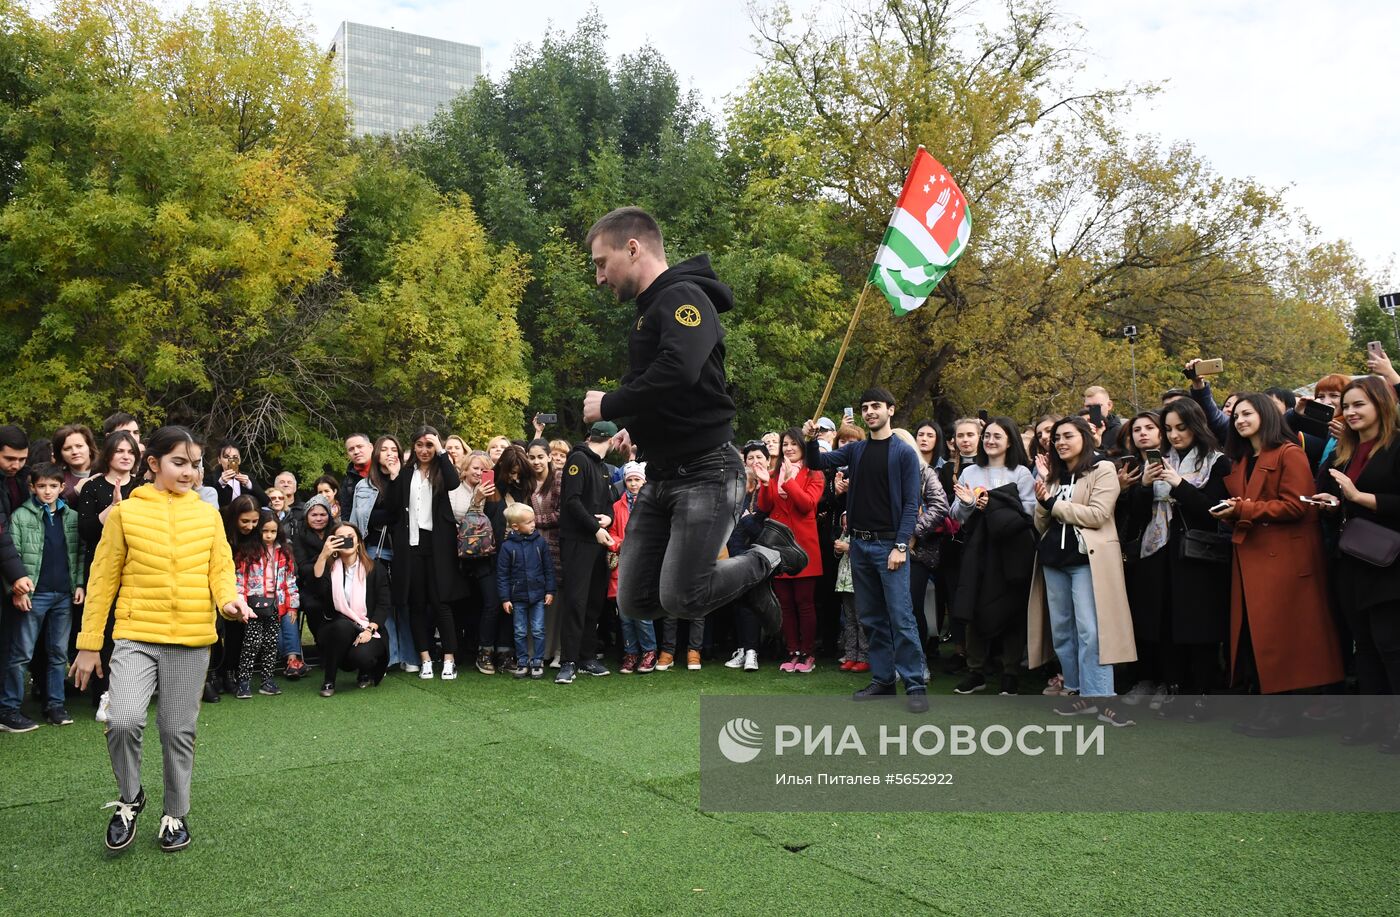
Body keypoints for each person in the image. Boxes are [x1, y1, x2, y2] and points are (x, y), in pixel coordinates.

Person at [581, 207, 803, 642]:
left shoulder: (683, 296)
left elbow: (680, 368)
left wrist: (612, 404)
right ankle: (751, 580)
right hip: (662, 475)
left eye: (601, 263)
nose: (599, 277)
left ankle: (767, 557)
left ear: (632, 248)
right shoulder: (649, 311)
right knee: (635, 600)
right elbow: (677, 388)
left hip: (707, 472)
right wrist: (639, 429)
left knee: (684, 596)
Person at [69, 425, 254, 853]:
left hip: (191, 639)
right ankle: (131, 798)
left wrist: (228, 601)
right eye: (179, 462)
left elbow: (220, 569)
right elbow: (101, 580)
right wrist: (89, 642)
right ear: (152, 464)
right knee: (123, 719)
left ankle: (175, 814)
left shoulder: (208, 514)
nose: (189, 472)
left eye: (194, 464)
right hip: (135, 636)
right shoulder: (125, 514)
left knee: (177, 730)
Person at [1213, 394, 1343, 737]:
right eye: (1236, 415)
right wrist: (1232, 513)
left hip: (1285, 560)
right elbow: (1248, 506)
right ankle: (1268, 708)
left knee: (1284, 637)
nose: (1239, 420)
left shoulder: (1289, 453)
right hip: (1253, 555)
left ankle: (1283, 713)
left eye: (1247, 413)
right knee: (1260, 636)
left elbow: (1299, 506)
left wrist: (1242, 510)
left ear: (1266, 415)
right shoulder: (1240, 459)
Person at [805, 388, 927, 712]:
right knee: (871, 618)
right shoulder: (856, 450)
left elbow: (912, 504)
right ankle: (884, 681)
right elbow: (817, 461)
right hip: (859, 545)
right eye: (865, 407)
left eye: (876, 406)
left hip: (890, 546)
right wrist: (809, 439)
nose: (870, 411)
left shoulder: (903, 453)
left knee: (901, 618)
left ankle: (915, 685)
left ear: (891, 409)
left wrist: (901, 545)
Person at [1119, 399, 1232, 722]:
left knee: (1199, 626)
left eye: (1181, 428)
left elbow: (1213, 512)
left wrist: (1178, 484)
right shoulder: (1158, 461)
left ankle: (1203, 694)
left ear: (1196, 426)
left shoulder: (1217, 462)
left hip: (1199, 555)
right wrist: (1141, 487)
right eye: (1168, 429)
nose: (1175, 434)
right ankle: (1174, 687)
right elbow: (1139, 516)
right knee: (1166, 623)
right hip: (1158, 553)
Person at [1028, 416, 1137, 727]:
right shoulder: (1054, 475)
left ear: (1085, 438)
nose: (1060, 442)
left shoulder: (1103, 469)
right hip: (1053, 560)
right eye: (1056, 438)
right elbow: (1042, 523)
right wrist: (1042, 503)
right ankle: (1078, 691)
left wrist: (1052, 504)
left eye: (1067, 436)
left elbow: (1099, 514)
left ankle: (1101, 695)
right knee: (1063, 629)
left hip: (1087, 559)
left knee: (1090, 629)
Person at [1316, 376, 1400, 752]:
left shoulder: (1397, 445)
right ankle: (1375, 723)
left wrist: (1360, 497)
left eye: (1358, 404)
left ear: (1380, 404)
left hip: (1390, 562)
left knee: (1390, 644)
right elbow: (1345, 505)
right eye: (1346, 406)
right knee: (1363, 646)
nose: (1349, 412)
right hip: (1351, 560)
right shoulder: (1346, 452)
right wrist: (1334, 504)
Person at [949, 418, 1036, 696]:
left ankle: (1010, 672)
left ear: (1010, 440)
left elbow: (1030, 511)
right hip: (977, 548)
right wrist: (969, 504)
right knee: (974, 605)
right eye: (987, 436)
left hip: (1011, 550)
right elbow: (955, 515)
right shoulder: (969, 472)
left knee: (1011, 608)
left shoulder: (1022, 473)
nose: (990, 441)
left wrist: (994, 504)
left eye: (997, 436)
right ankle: (975, 671)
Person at [0, 464, 86, 732]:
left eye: (53, 486)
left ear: (62, 488)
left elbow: (79, 552)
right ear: (32, 488)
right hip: (34, 594)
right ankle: (9, 709)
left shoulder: (71, 517)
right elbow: (9, 556)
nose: (47, 491)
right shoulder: (20, 517)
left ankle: (55, 706)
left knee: (58, 653)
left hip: (63, 594)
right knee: (21, 654)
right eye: (41, 486)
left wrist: (80, 584)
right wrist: (17, 590)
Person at [385, 427, 464, 680]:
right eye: (419, 445)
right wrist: (396, 477)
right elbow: (392, 507)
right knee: (417, 603)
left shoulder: (442, 470)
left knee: (441, 602)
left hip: (438, 544)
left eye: (429, 445)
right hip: (411, 545)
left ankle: (449, 658)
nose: (424, 450)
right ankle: (425, 658)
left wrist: (441, 450)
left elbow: (453, 483)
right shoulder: (406, 473)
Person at [71, 430, 139, 714]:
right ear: (109, 454)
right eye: (120, 451)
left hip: (135, 567)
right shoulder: (92, 486)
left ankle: (131, 691)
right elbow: (86, 531)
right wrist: (113, 507)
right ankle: (104, 694)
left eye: (130, 452)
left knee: (129, 629)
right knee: (104, 629)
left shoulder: (142, 487)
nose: (125, 456)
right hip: (101, 565)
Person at [555, 423, 620, 684]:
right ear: (612, 440)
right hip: (578, 542)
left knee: (594, 602)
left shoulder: (603, 468)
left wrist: (609, 517)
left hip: (597, 542)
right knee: (575, 602)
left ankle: (586, 657)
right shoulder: (578, 460)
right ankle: (568, 661)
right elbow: (571, 501)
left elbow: (608, 504)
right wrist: (595, 528)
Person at [757, 428, 825, 674]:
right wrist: (766, 483)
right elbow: (764, 506)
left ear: (803, 447)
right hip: (778, 547)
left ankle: (808, 652)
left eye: (793, 444)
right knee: (784, 603)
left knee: (804, 603)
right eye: (785, 444)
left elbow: (807, 504)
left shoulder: (814, 474)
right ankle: (792, 651)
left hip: (803, 547)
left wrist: (789, 480)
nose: (788, 448)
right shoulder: (776, 474)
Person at [313, 522, 392, 696]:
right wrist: (323, 556)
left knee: (362, 656)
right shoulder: (330, 567)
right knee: (342, 625)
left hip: (368, 628)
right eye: (340, 538)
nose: (346, 541)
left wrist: (370, 630)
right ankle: (329, 680)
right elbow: (318, 591)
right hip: (337, 628)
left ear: (358, 542)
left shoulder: (375, 569)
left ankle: (365, 670)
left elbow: (383, 605)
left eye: (350, 537)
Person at [232, 511, 300, 696]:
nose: (269, 536)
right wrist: (241, 604)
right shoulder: (247, 552)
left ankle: (267, 680)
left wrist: (292, 605)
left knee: (271, 643)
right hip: (252, 606)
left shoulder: (284, 551)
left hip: (275, 605)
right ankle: (243, 681)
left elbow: (290, 580)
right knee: (251, 643)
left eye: (273, 531)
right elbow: (240, 580)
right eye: (265, 531)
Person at [723, 443, 772, 673]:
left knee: (753, 601)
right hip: (733, 553)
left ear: (768, 460)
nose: (755, 461)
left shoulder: (768, 489)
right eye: (750, 457)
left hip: (758, 553)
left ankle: (752, 650)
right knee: (738, 602)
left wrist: (746, 519)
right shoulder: (738, 490)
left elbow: (763, 528)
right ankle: (742, 648)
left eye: (759, 457)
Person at [608, 462, 657, 674]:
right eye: (630, 479)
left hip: (644, 563)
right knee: (625, 615)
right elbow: (612, 532)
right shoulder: (617, 506)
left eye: (638, 479)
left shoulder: (653, 504)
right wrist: (620, 544)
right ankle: (631, 652)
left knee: (642, 613)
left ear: (644, 481)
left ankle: (649, 651)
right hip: (623, 562)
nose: (634, 483)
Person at [496, 503, 555, 680]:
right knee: (520, 631)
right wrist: (505, 598)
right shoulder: (507, 547)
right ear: (515, 526)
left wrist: (550, 590)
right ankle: (522, 661)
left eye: (533, 521)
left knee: (538, 629)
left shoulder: (540, 543)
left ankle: (537, 661)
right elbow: (502, 575)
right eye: (528, 522)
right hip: (518, 597)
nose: (533, 525)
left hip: (538, 595)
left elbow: (548, 568)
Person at [526, 438, 564, 663]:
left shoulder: (559, 479)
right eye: (532, 457)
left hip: (556, 547)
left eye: (540, 457)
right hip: (531, 549)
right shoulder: (527, 481)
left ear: (549, 456)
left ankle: (558, 652)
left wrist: (532, 520)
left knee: (556, 601)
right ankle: (536, 653)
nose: (536, 461)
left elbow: (561, 514)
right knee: (534, 601)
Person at [292, 495, 336, 649]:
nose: (319, 518)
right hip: (310, 585)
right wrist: (324, 555)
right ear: (306, 516)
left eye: (323, 514)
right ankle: (322, 644)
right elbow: (303, 568)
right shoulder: (299, 535)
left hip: (335, 581)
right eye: (314, 515)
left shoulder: (337, 531)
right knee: (312, 606)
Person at [53, 424, 97, 502]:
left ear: (90, 448)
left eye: (79, 446)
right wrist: (75, 493)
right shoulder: (56, 478)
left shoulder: (106, 471)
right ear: (60, 454)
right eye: (67, 448)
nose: (75, 452)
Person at [337, 433, 373, 526]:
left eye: (360, 446)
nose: (356, 452)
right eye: (351, 449)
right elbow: (346, 514)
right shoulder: (348, 482)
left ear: (371, 447)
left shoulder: (385, 472)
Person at [209, 442, 257, 507]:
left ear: (239, 460)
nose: (231, 460)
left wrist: (249, 484)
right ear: (219, 460)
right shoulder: (211, 478)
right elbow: (209, 502)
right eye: (226, 457)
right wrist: (220, 483)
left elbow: (264, 501)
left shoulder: (248, 477)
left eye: (235, 457)